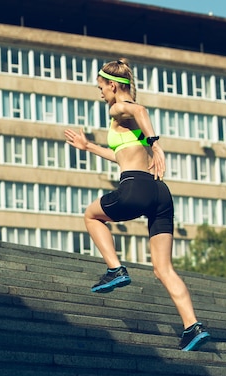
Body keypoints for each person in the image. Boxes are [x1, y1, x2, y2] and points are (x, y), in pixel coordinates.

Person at [64, 58, 210, 352]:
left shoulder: (119, 108)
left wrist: (156, 143)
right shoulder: (130, 126)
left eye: (101, 87)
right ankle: (192, 326)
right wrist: (89, 146)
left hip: (135, 187)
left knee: (92, 215)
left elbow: (140, 109)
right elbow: (122, 154)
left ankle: (115, 269)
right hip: (159, 193)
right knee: (163, 269)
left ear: (113, 85)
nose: (99, 93)